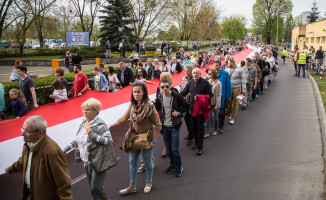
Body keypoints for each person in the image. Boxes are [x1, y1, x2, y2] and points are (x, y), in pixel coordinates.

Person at [109, 82, 162, 195]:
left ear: (144, 92)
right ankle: (132, 186)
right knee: (132, 161)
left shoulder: (150, 107)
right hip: (134, 137)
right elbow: (124, 118)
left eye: (139, 91)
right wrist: (110, 125)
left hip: (147, 138)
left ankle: (149, 182)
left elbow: (158, 125)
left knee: (148, 162)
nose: (136, 94)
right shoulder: (132, 105)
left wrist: (154, 140)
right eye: (134, 92)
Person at [5, 116, 72, 200]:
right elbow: (24, 160)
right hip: (34, 193)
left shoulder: (51, 151)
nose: (22, 134)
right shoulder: (28, 144)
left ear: (40, 133)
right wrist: (10, 169)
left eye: (27, 131)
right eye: (22, 130)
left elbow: (63, 183)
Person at [63, 98, 117, 200]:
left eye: (87, 109)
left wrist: (92, 135)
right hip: (87, 161)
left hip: (99, 160)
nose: (84, 112)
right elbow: (78, 139)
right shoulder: (83, 123)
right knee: (97, 186)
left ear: (95, 111)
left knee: (94, 189)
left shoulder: (100, 125)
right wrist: (65, 149)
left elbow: (108, 141)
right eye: (83, 109)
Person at [155, 78, 189, 177]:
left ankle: (179, 167)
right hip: (165, 127)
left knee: (174, 148)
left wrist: (178, 113)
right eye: (162, 87)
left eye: (166, 86)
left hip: (174, 126)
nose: (164, 88)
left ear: (170, 86)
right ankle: (173, 164)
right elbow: (157, 108)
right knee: (169, 149)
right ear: (160, 88)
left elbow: (187, 106)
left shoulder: (176, 95)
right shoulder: (160, 96)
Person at [180, 68, 213, 155]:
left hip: (201, 110)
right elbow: (183, 93)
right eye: (194, 73)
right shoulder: (190, 82)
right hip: (192, 109)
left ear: (200, 73)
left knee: (200, 128)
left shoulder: (205, 82)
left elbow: (210, 95)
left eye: (197, 73)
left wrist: (200, 97)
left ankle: (200, 147)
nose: (195, 74)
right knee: (193, 127)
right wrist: (174, 97)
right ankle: (196, 143)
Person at [225, 58, 246, 125]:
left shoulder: (240, 69)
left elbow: (243, 79)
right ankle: (231, 113)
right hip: (229, 89)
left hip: (237, 89)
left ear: (232, 63)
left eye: (228, 63)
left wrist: (244, 89)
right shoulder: (227, 69)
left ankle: (232, 117)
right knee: (229, 103)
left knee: (235, 103)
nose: (227, 64)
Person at [214, 60, 232, 134]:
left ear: (220, 66)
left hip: (222, 96)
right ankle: (215, 126)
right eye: (214, 65)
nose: (215, 67)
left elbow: (228, 85)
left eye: (217, 65)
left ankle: (221, 126)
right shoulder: (212, 73)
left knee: (221, 112)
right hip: (214, 97)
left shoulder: (225, 74)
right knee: (215, 112)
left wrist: (229, 96)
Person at [204, 69, 221, 138]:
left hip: (215, 103)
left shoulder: (218, 83)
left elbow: (219, 94)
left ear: (213, 74)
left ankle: (215, 130)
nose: (208, 74)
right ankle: (207, 131)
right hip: (208, 103)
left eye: (210, 73)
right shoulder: (208, 82)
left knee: (216, 117)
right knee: (208, 118)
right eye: (208, 73)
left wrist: (217, 104)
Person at [179, 64, 194, 145]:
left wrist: (190, 94)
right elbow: (181, 88)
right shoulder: (182, 79)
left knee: (192, 121)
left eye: (187, 71)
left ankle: (191, 137)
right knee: (187, 120)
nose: (186, 72)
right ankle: (190, 134)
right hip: (184, 104)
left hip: (192, 104)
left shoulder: (194, 79)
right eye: (185, 71)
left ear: (191, 71)